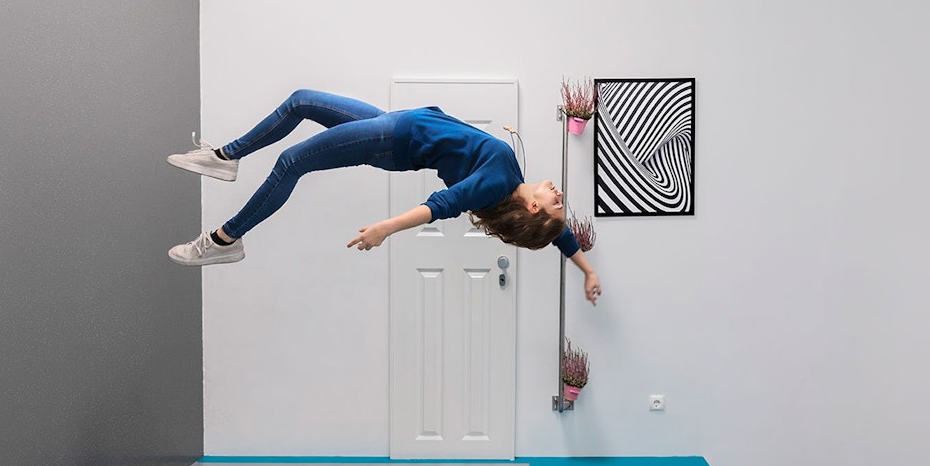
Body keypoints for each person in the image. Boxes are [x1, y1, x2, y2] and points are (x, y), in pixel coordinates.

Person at [166, 89, 603, 304]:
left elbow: (441, 205)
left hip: (393, 140)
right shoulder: (512, 177)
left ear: (532, 208)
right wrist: (586, 270)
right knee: (300, 101)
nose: (559, 192)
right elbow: (560, 236)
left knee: (291, 161)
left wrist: (386, 228)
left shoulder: (496, 183)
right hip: (395, 124)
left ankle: (224, 239)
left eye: (557, 201)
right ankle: (226, 157)